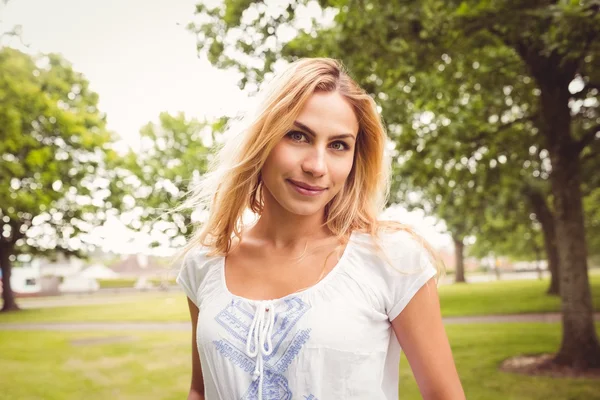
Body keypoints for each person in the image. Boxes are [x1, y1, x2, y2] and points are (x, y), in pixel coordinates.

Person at [175, 58, 465, 400]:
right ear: (263, 139)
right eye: (298, 136)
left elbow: (444, 395)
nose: (316, 166)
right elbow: (201, 389)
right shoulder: (205, 263)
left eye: (338, 145)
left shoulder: (392, 258)